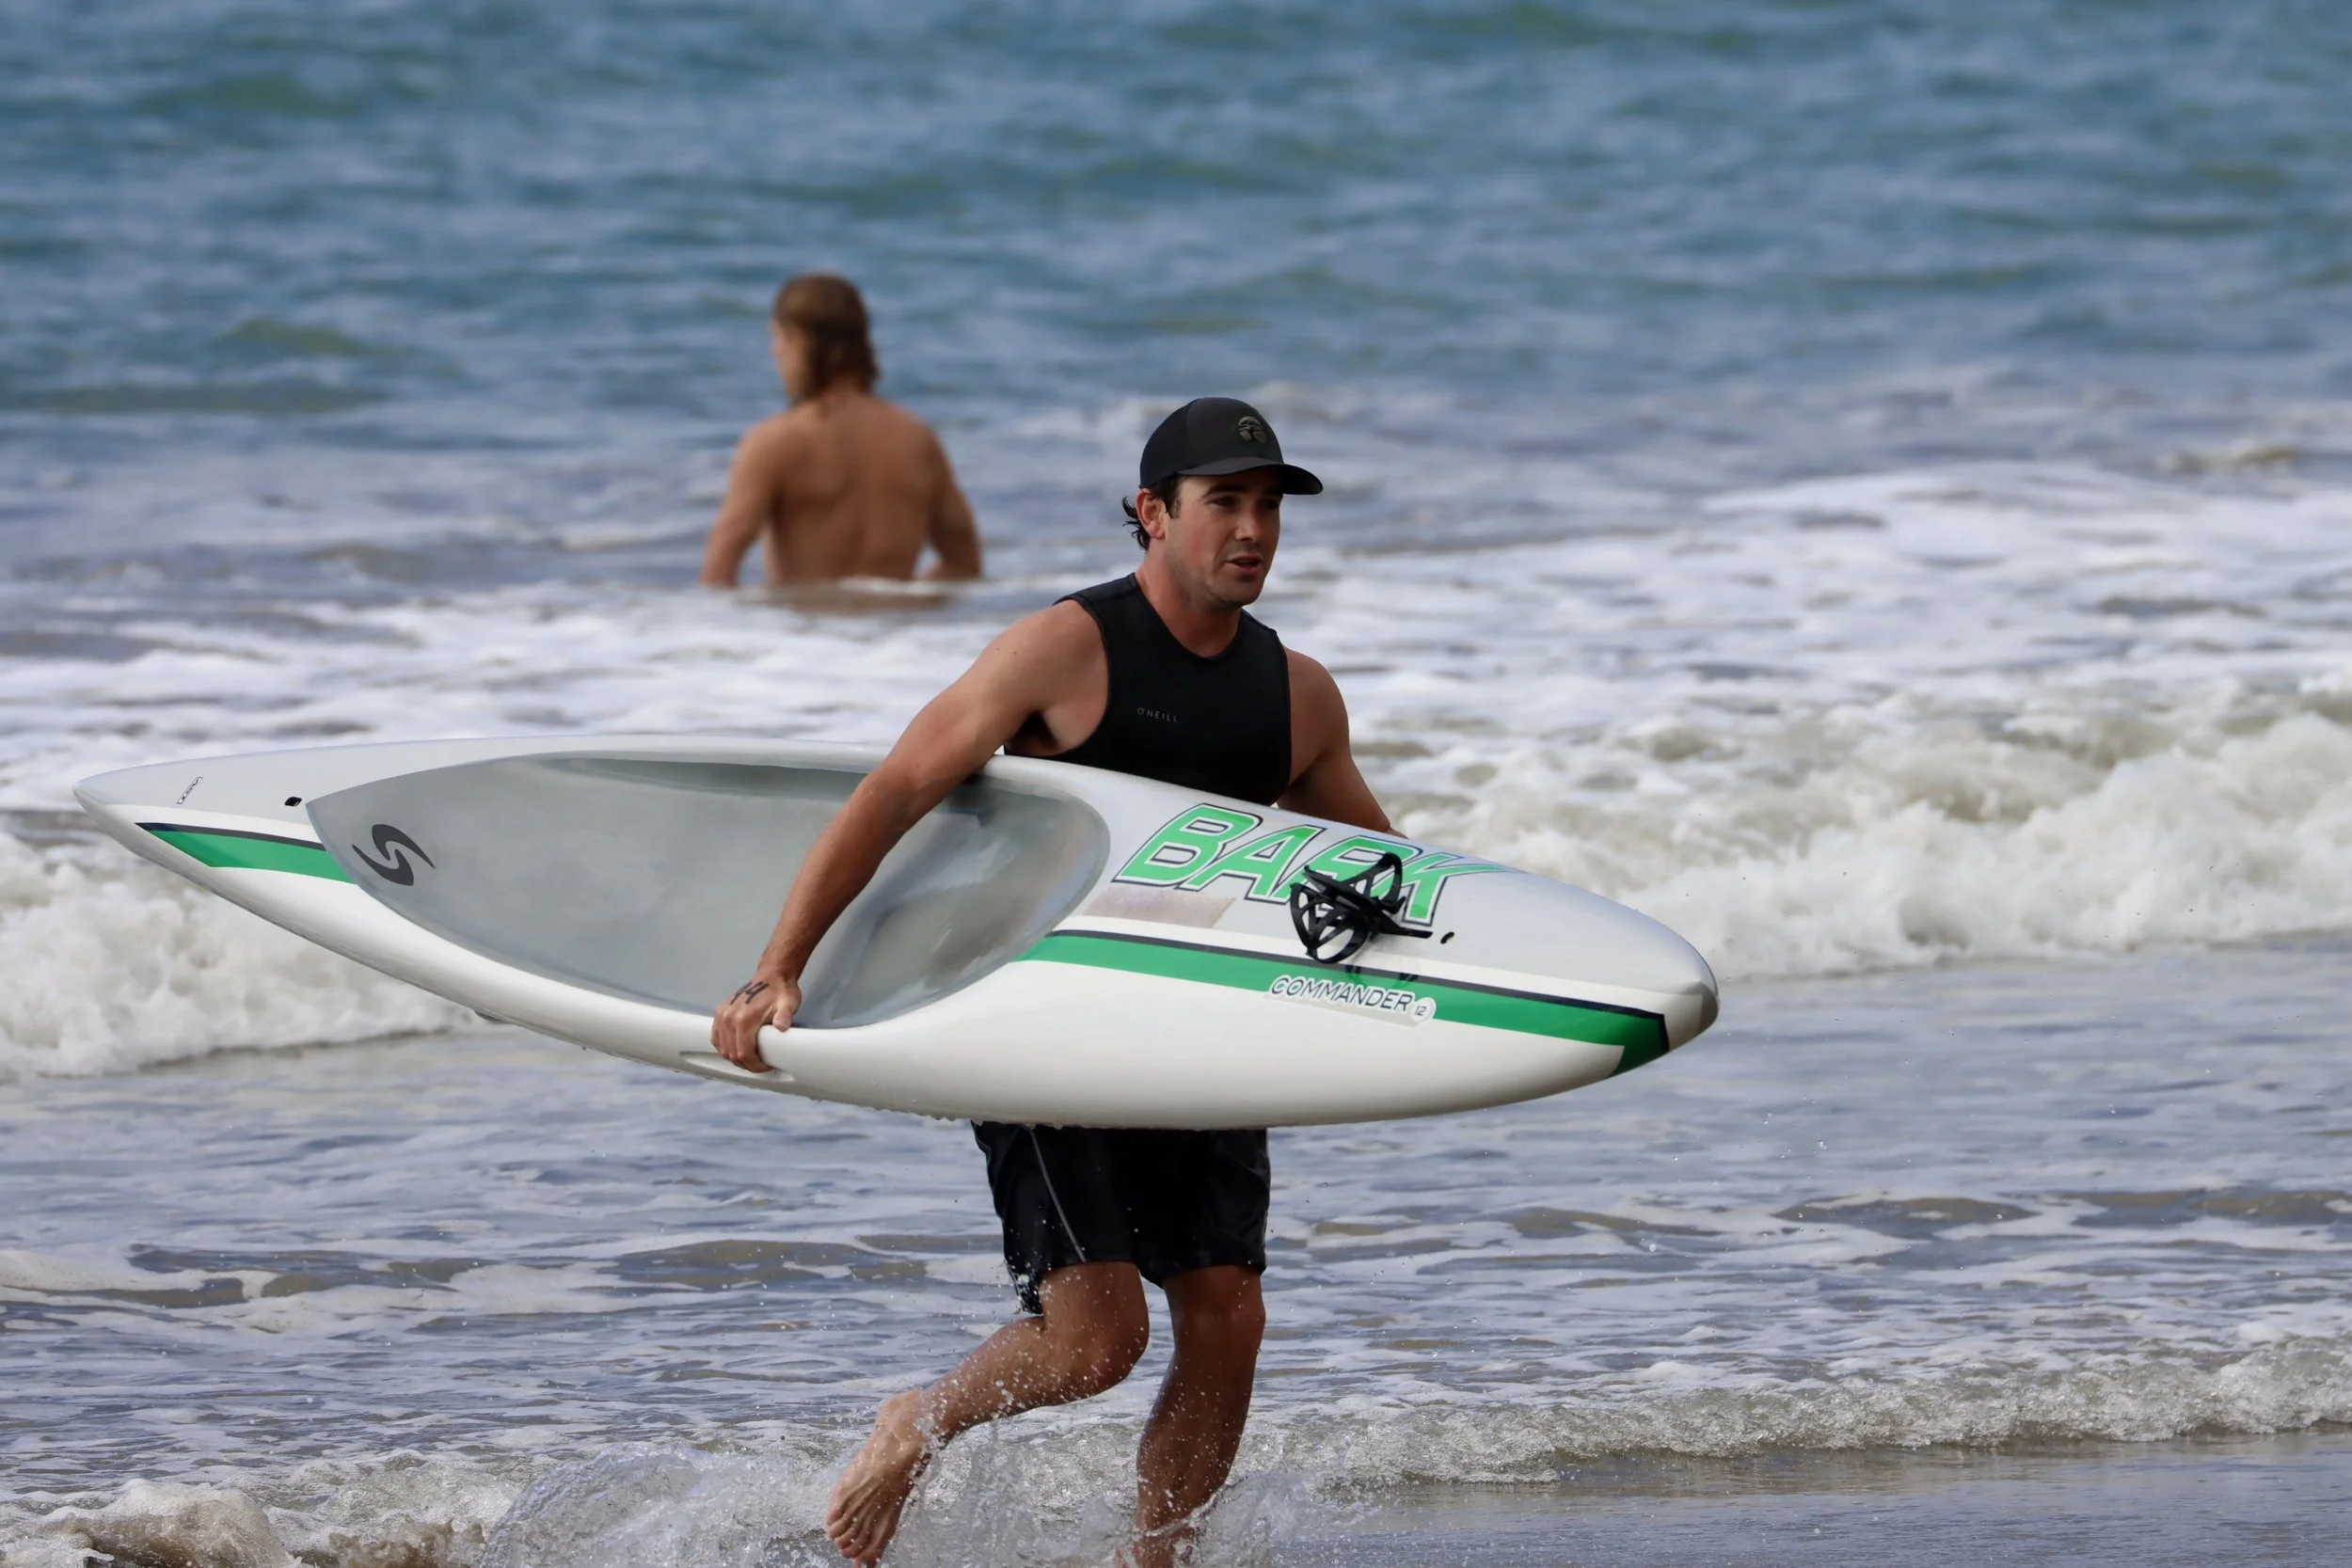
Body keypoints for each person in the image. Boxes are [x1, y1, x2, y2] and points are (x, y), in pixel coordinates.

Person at [709, 396, 1391, 1567]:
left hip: (1195, 1023)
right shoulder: (1064, 651)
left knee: (1228, 1313)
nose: (1252, 529)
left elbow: (1380, 876)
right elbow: (896, 788)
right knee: (1095, 1341)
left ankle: (1156, 1556)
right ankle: (912, 1421)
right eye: (1223, 501)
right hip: (1042, 1011)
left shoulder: (1297, 694)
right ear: (1151, 512)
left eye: (1269, 507)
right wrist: (779, 966)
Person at [699, 274, 982, 586]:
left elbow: (718, 572)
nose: (773, 352)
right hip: (896, 618)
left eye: (776, 339)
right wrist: (907, 602)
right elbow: (965, 563)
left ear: (798, 341)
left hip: (802, 619)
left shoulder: (773, 442)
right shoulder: (917, 439)